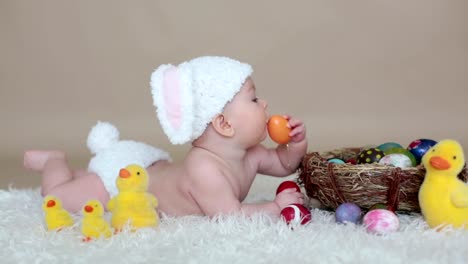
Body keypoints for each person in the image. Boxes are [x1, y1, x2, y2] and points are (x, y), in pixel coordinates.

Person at [24, 56, 308, 217]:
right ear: (223, 123)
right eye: (254, 99)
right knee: (56, 197)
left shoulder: (252, 154)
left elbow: (284, 164)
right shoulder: (205, 169)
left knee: (82, 182)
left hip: (149, 166)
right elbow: (229, 216)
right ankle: (55, 162)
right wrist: (274, 208)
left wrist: (295, 143)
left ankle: (80, 174)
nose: (265, 104)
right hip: (121, 181)